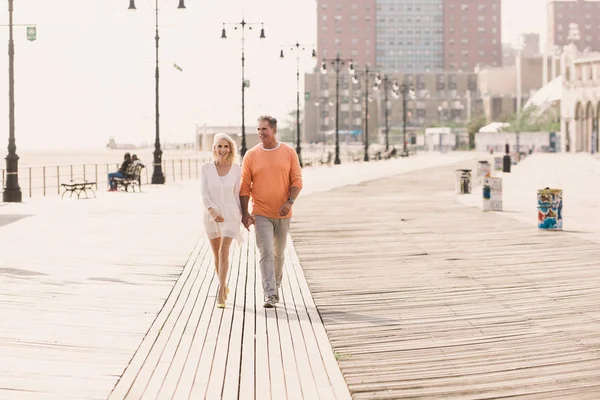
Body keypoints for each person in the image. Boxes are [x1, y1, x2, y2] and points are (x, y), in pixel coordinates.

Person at [240, 115, 303, 309]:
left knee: (279, 253)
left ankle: (276, 285)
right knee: (265, 251)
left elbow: (297, 181)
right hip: (261, 212)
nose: (261, 133)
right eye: (258, 129)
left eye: (264, 129)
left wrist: (289, 201)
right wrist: (244, 213)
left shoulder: (288, 152)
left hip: (283, 213)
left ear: (274, 130)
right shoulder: (251, 155)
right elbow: (244, 186)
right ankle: (270, 293)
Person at [201, 133, 243, 309]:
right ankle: (224, 285)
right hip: (211, 214)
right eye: (219, 146)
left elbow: (237, 194)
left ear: (230, 149)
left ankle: (220, 291)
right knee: (216, 252)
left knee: (224, 250)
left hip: (231, 214)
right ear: (214, 149)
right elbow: (204, 193)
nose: (223, 150)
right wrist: (212, 211)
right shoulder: (206, 168)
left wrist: (243, 216)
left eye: (226, 146)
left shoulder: (236, 169)